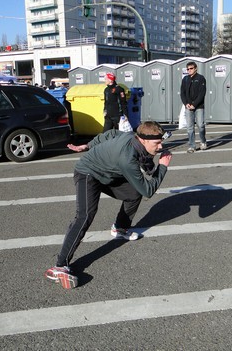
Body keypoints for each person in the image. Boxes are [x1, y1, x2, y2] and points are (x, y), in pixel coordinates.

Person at [45, 121, 173, 289]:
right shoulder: (127, 158)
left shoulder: (130, 137)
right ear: (142, 140)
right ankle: (59, 266)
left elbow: (110, 134)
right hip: (87, 173)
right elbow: (148, 191)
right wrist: (162, 167)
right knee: (85, 216)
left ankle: (120, 228)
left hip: (107, 175)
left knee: (133, 193)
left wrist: (87, 145)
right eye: (157, 143)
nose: (161, 146)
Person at [180, 61, 207, 153]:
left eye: (191, 68)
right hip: (188, 106)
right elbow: (182, 93)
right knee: (190, 127)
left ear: (195, 68)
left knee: (201, 125)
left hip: (199, 106)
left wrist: (194, 104)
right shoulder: (185, 79)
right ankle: (192, 146)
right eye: (188, 69)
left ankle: (203, 141)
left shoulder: (200, 78)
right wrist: (186, 103)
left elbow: (202, 93)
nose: (189, 70)